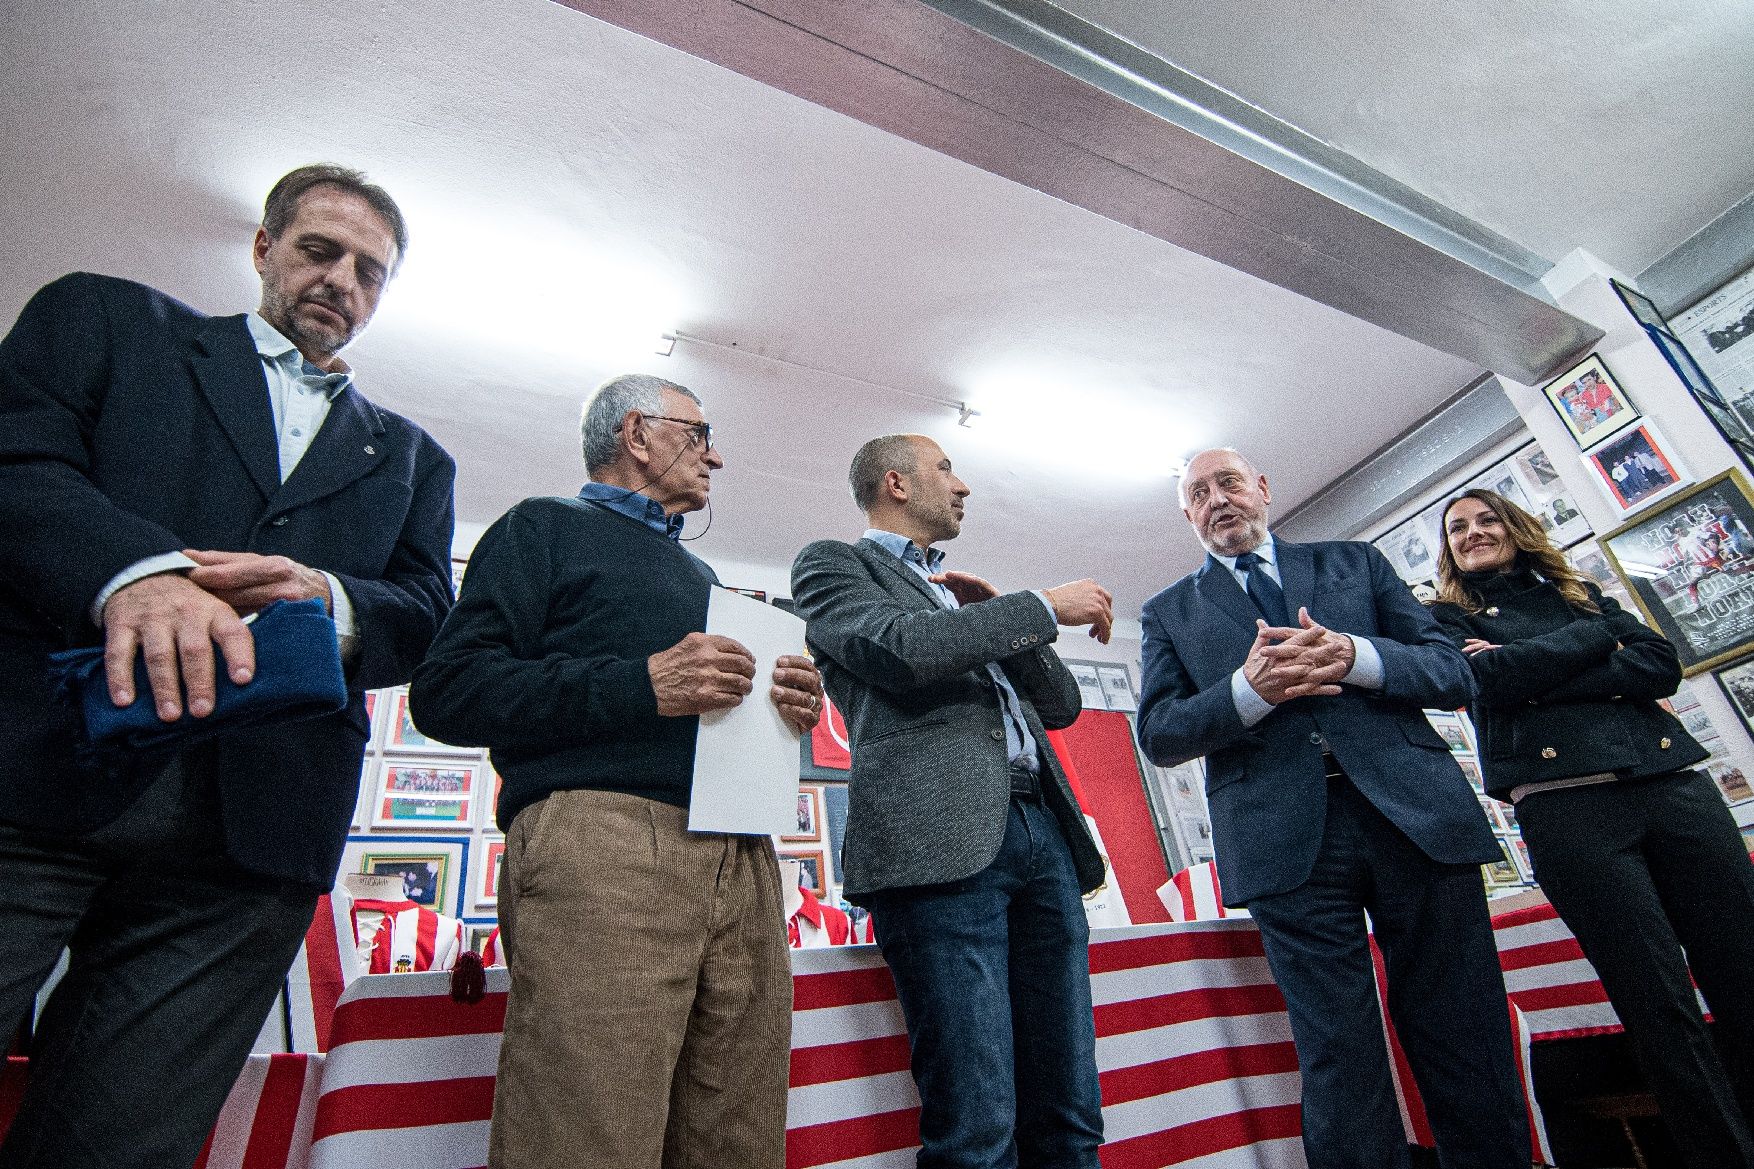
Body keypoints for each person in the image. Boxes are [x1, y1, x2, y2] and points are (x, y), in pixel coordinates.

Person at [0, 164, 456, 1168]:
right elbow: (16, 466)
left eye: (369, 272)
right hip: (36, 782)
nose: (342, 280)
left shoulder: (415, 458)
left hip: (246, 847)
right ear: (262, 247)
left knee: (121, 1143)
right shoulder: (107, 322)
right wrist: (136, 571)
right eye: (318, 250)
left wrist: (326, 596)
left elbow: (426, 614)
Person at [407, 374, 824, 1169]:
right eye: (700, 434)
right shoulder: (541, 527)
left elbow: (700, 704)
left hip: (740, 855)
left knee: (737, 1138)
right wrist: (641, 684)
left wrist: (785, 705)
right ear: (638, 433)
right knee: (586, 1136)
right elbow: (447, 690)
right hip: (607, 841)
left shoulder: (701, 579)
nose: (717, 456)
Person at [1134, 448, 1528, 1169]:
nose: (1218, 498)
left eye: (1229, 482)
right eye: (1198, 493)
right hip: (1284, 845)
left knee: (1462, 1026)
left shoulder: (1356, 563)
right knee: (1336, 1045)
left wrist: (1355, 656)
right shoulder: (1166, 612)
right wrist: (1248, 692)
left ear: (1264, 486)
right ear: (1187, 515)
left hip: (1416, 820)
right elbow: (1159, 734)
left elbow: (1450, 670)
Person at [790, 433, 1114, 1169]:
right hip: (938, 847)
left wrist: (1010, 618)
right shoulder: (832, 565)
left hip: (1041, 834)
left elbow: (1059, 704)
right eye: (946, 469)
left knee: (1070, 1108)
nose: (963, 485)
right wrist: (1037, 605)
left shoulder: (963, 600)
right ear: (896, 484)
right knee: (977, 1124)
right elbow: (902, 650)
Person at [1431, 487, 1754, 1168]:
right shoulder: (1441, 617)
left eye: (1487, 519)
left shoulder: (1576, 591)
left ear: (1516, 527)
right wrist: (1597, 642)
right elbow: (1490, 681)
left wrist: (1535, 663)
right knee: (1659, 1005)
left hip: (1673, 786)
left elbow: (1660, 663)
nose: (1473, 532)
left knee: (1744, 972)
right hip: (1567, 810)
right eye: (1458, 527)